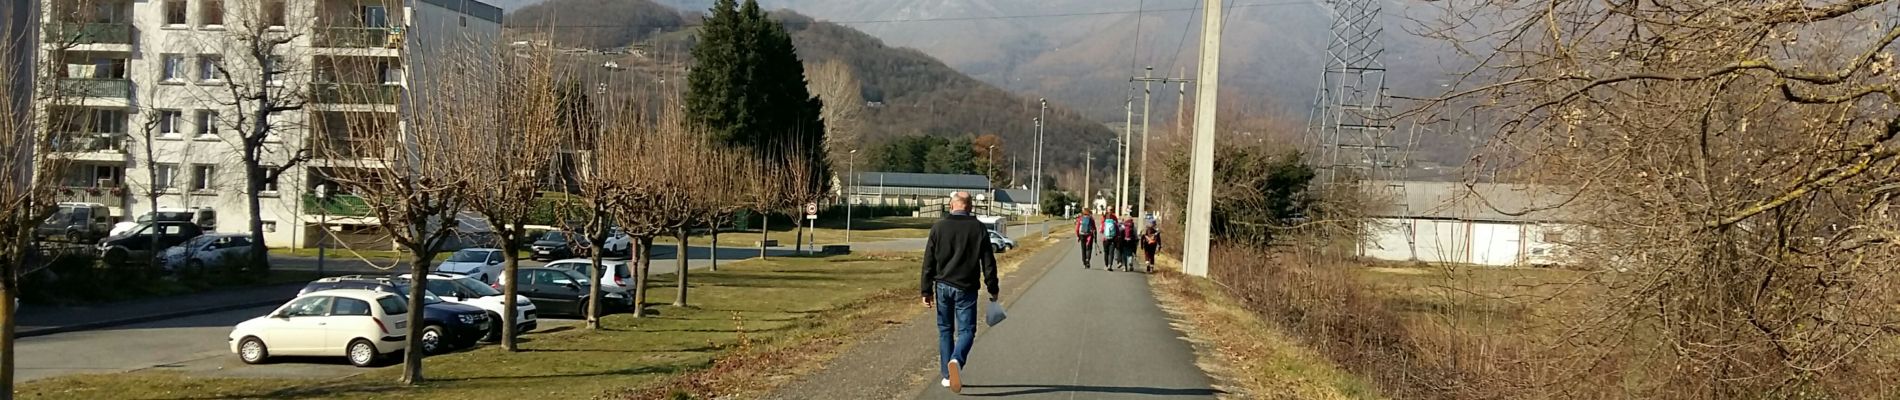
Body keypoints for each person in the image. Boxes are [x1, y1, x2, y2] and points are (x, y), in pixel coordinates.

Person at [921, 191, 1000, 394]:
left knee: (945, 329)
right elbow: (988, 262)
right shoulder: (978, 228)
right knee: (966, 331)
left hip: (942, 285)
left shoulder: (938, 227)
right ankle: (956, 359)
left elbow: (928, 261)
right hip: (966, 287)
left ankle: (947, 376)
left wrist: (925, 290)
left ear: (951, 206)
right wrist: (993, 288)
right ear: (970, 207)